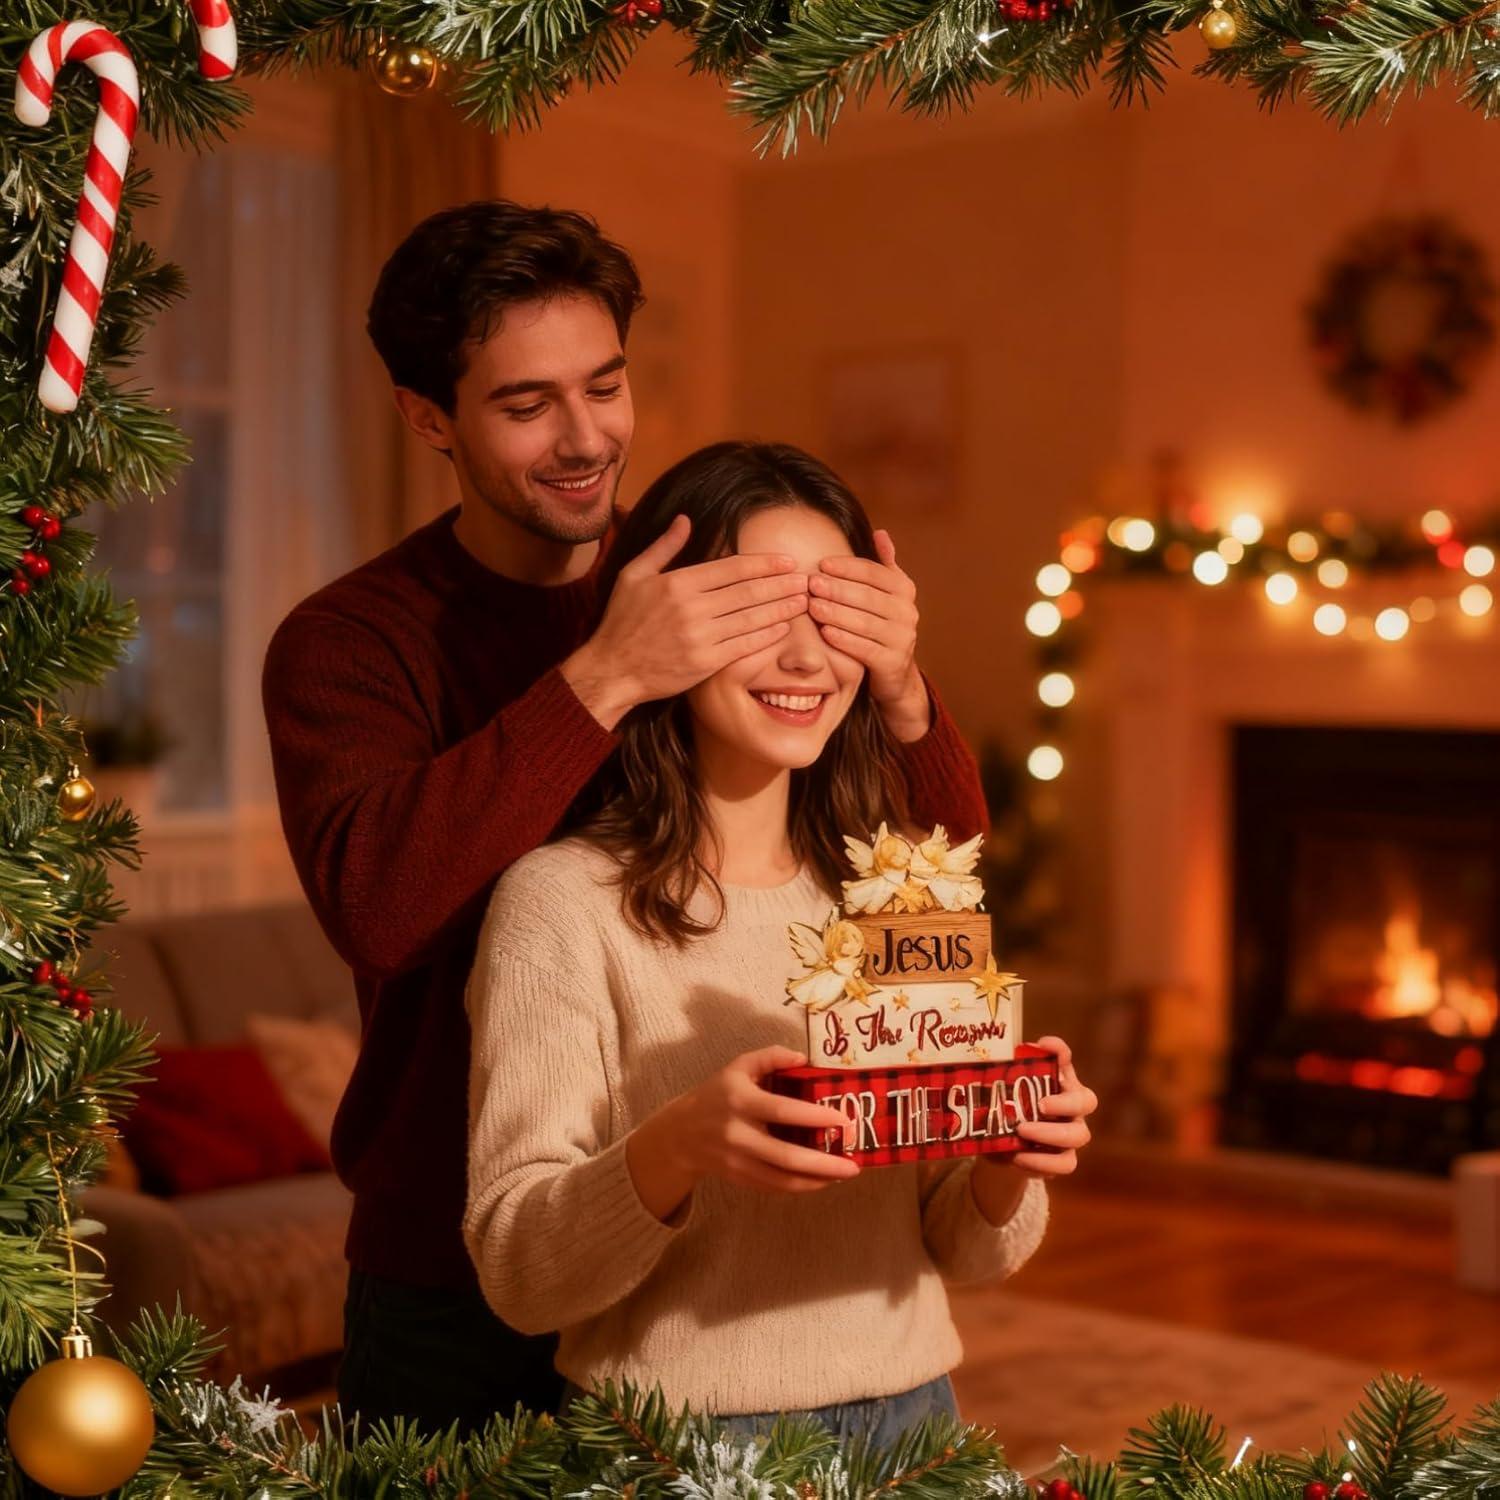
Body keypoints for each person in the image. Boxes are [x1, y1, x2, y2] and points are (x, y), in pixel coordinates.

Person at [262, 202, 992, 1435]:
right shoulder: (346, 644)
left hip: (698, 1285)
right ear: (427, 415)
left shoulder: (708, 571)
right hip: (457, 1270)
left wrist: (904, 686)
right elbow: (382, 911)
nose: (587, 437)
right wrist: (607, 676)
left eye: (605, 385)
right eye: (525, 403)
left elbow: (926, 875)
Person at [464, 442, 1098, 1444]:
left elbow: (969, 1255)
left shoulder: (899, 895)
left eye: (833, 615)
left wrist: (1008, 1158)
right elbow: (519, 1274)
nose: (807, 660)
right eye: (761, 616)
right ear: (669, 624)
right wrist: (676, 1147)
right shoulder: (561, 906)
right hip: (673, 1445)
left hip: (918, 1427)